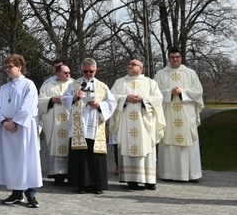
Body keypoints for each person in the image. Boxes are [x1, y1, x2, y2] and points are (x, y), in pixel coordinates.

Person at [61, 58, 116, 194]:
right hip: (79, 126)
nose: (88, 73)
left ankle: (96, 185)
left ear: (95, 70)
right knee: (80, 156)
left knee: (95, 156)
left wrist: (99, 105)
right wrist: (74, 97)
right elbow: (64, 99)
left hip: (95, 125)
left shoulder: (102, 86)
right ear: (81, 70)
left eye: (91, 71)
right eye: (85, 71)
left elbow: (112, 103)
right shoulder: (74, 84)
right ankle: (82, 185)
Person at [110, 59, 165, 191]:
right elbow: (111, 98)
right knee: (128, 147)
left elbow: (158, 98)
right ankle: (131, 180)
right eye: (129, 64)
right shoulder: (120, 82)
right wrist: (125, 98)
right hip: (126, 122)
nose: (130, 66)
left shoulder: (150, 83)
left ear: (141, 68)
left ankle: (149, 180)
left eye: (133, 65)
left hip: (144, 123)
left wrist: (143, 99)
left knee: (147, 148)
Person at [0, 54, 42, 208]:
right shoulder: (3, 88)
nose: (7, 69)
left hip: (23, 129)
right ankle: (16, 194)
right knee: (12, 161)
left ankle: (31, 194)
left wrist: (15, 122)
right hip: (7, 128)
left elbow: (29, 106)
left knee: (26, 160)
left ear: (19, 67)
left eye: (10, 66)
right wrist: (4, 121)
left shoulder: (29, 85)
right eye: (6, 67)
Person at [154, 48, 205, 182]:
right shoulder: (160, 74)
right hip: (168, 114)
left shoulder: (190, 73)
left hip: (186, 114)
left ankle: (192, 174)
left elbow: (198, 92)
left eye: (177, 57)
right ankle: (168, 174)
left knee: (189, 143)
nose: (175, 59)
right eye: (172, 57)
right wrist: (169, 92)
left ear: (181, 58)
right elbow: (154, 94)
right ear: (168, 58)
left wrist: (182, 91)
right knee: (168, 142)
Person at [38, 64, 74, 184]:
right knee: (55, 144)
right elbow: (39, 101)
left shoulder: (74, 84)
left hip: (69, 121)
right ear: (57, 73)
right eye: (65, 73)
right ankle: (57, 175)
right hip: (53, 122)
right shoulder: (48, 85)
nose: (68, 75)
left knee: (69, 146)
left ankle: (71, 173)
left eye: (69, 72)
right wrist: (52, 100)